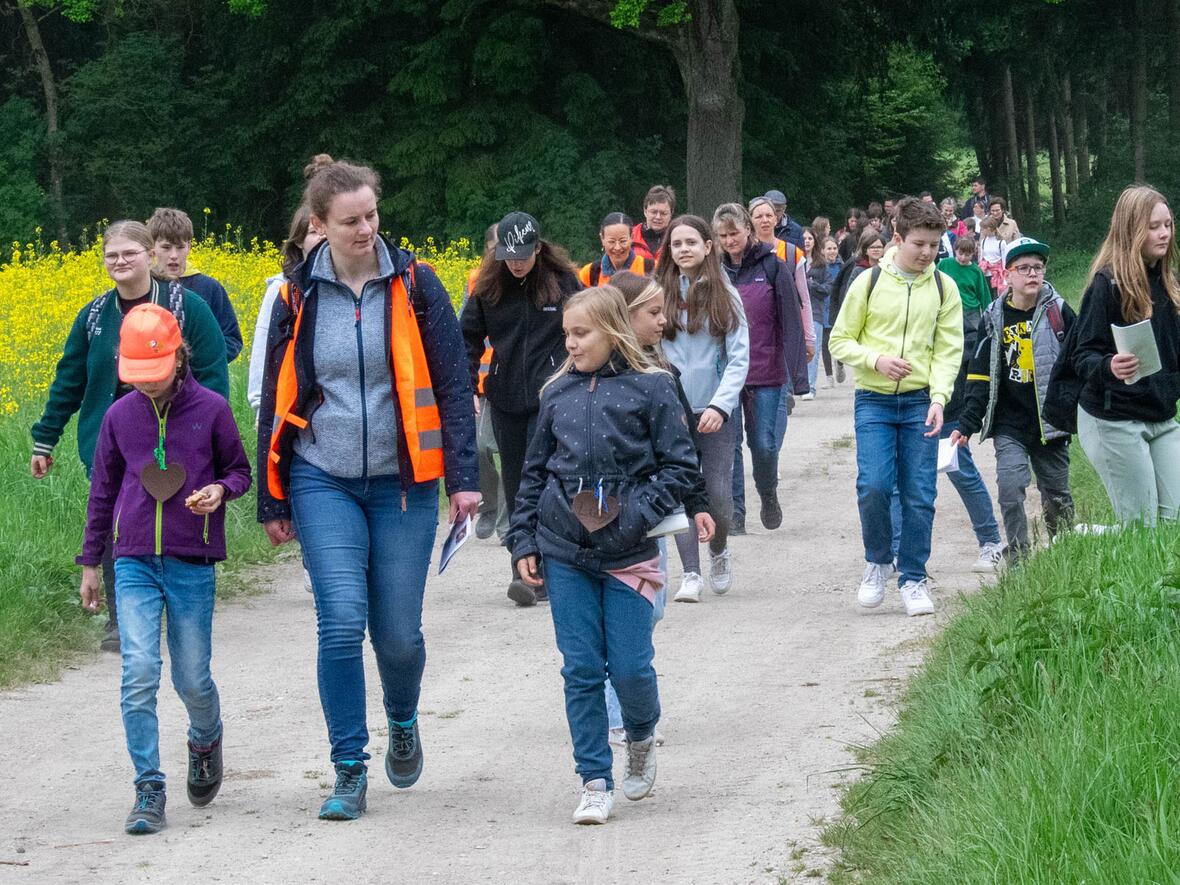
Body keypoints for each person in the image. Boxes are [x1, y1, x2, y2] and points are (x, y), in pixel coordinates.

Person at [256, 157, 480, 821]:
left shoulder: (416, 284)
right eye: (351, 220)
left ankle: (403, 717)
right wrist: (271, 496)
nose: (366, 229)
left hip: (404, 479)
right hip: (320, 475)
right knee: (340, 621)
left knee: (399, 637)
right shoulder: (296, 293)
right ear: (318, 225)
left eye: (372, 215)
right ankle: (348, 767)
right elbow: (273, 396)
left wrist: (464, 479)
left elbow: (452, 386)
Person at [509, 285, 698, 825]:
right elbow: (534, 473)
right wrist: (524, 539)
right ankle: (594, 778)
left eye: (581, 333)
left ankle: (640, 736)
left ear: (614, 330)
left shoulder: (654, 388)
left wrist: (637, 512)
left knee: (632, 668)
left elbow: (682, 469)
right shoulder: (556, 394)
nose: (570, 343)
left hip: (632, 554)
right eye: (566, 333)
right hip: (565, 552)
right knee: (582, 669)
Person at [77, 304, 251, 835]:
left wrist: (219, 491)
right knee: (138, 675)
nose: (148, 389)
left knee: (192, 678)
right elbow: (102, 492)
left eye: (156, 377)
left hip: (191, 562)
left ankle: (205, 737)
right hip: (131, 562)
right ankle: (148, 786)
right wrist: (90, 562)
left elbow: (239, 471)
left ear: (180, 357)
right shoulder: (118, 417)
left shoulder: (213, 409)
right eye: (138, 379)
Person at [30, 220, 229, 653]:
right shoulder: (95, 316)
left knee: (176, 515)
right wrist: (45, 438)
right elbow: (69, 379)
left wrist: (208, 430)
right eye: (111, 255)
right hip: (113, 435)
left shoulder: (187, 306)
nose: (120, 262)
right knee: (114, 517)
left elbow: (213, 371)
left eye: (129, 253)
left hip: (178, 434)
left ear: (149, 256)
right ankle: (123, 620)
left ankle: (179, 607)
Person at [829, 197, 963, 616]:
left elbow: (948, 349)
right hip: (874, 401)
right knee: (874, 485)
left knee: (920, 493)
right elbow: (839, 340)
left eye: (934, 245)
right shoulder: (868, 283)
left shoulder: (944, 287)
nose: (926, 253)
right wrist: (876, 360)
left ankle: (914, 577)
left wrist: (940, 397)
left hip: (921, 401)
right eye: (919, 244)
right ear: (898, 238)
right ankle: (877, 561)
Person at [605, 269, 714, 733]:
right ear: (622, 319)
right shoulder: (590, 377)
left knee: (655, 607)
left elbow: (682, 445)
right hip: (603, 516)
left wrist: (698, 502)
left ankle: (621, 682)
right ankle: (617, 711)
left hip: (653, 511)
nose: (664, 319)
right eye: (653, 312)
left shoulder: (663, 373)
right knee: (627, 610)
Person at [460, 211, 582, 606]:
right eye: (508, 255)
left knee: (545, 480)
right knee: (517, 485)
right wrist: (466, 387)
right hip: (507, 397)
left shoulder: (563, 281)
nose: (515, 263)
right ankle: (523, 571)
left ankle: (551, 565)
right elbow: (468, 339)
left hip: (554, 397)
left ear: (538, 247)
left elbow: (588, 325)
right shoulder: (486, 287)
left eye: (523, 255)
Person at [953, 237, 1075, 558]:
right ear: (1008, 274)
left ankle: (1064, 553)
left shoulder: (1058, 312)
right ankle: (1018, 557)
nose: (1032, 274)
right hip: (1010, 423)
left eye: (1037, 267)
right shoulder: (994, 317)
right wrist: (967, 422)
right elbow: (978, 374)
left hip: (1051, 422)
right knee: (1010, 489)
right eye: (1023, 268)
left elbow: (1079, 361)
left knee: (1057, 495)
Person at [1071, 185, 1180, 525]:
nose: (1164, 233)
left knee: (1173, 522)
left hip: (1160, 414)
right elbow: (1081, 355)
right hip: (1113, 418)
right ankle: (1081, 539)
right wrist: (1109, 365)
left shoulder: (1170, 282)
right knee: (1141, 525)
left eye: (1168, 224)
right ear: (1131, 229)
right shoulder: (1107, 284)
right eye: (1153, 226)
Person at [655, 215, 749, 601]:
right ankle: (690, 572)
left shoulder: (727, 294)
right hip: (672, 411)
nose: (684, 250)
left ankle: (718, 549)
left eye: (691, 242)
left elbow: (738, 358)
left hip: (715, 413)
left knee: (719, 497)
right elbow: (649, 348)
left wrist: (721, 406)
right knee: (679, 493)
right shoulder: (657, 294)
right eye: (677, 244)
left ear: (708, 246)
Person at [713, 203, 808, 536]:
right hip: (725, 373)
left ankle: (767, 492)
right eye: (723, 236)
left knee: (763, 445)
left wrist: (798, 377)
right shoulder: (714, 272)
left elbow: (792, 321)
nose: (729, 240)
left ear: (747, 231)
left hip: (766, 370)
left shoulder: (773, 266)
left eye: (734, 233)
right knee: (730, 445)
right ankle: (736, 513)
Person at [927, 234, 1005, 572]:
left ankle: (990, 541)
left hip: (950, 393)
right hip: (910, 394)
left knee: (959, 467)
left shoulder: (948, 285)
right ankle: (900, 552)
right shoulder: (901, 286)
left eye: (932, 244)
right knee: (905, 480)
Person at [248, 202, 326, 415]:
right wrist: (260, 408)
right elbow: (264, 348)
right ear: (299, 241)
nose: (322, 238)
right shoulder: (282, 288)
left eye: (326, 231)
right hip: (288, 407)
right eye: (313, 232)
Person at [147, 208, 244, 362]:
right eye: (166, 247)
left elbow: (232, 340)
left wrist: (200, 364)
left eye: (180, 247)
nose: (173, 255)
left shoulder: (209, 288)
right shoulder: (143, 287)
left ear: (189, 247)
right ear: (152, 248)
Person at [466, 224, 509, 543]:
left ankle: (508, 521)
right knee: (479, 448)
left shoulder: (526, 277)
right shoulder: (477, 280)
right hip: (478, 381)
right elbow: (465, 332)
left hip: (507, 383)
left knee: (510, 452)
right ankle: (490, 504)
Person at [578, 212, 655, 286]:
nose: (617, 247)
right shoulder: (589, 273)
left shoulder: (651, 269)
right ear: (602, 239)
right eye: (611, 242)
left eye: (623, 241)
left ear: (632, 237)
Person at [806, 235, 841, 394]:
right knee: (822, 344)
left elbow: (834, 288)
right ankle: (827, 376)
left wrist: (813, 285)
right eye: (829, 248)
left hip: (829, 309)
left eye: (834, 248)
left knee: (830, 344)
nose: (832, 251)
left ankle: (838, 363)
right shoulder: (797, 262)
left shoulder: (836, 266)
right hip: (812, 310)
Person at [631, 185, 676, 261]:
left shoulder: (678, 239)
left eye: (663, 213)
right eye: (653, 212)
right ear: (645, 211)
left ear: (671, 214)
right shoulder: (628, 237)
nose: (658, 217)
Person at [978, 216, 1006, 293]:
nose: (981, 231)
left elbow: (1004, 261)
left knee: (996, 295)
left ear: (988, 229)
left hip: (997, 274)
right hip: (986, 273)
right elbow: (981, 258)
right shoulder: (983, 241)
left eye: (982, 229)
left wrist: (1004, 278)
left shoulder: (1001, 242)